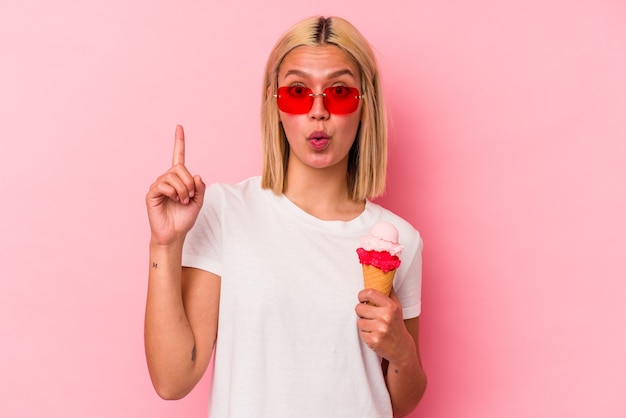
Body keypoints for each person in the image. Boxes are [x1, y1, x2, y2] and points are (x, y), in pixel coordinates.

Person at [144, 15, 427, 418]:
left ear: (365, 106)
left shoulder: (399, 238)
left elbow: (398, 404)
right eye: (297, 91)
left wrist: (400, 350)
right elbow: (173, 380)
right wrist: (165, 245)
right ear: (274, 104)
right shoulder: (226, 211)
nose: (318, 111)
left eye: (340, 92)